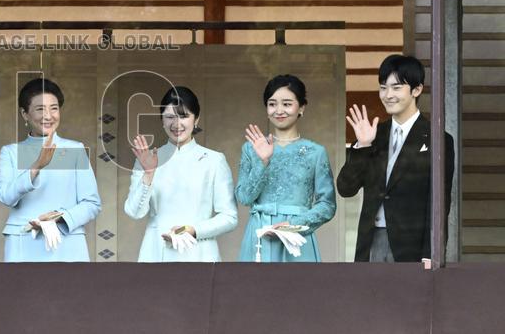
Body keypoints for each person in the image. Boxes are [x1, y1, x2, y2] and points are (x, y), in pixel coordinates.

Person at [337, 54, 455, 262]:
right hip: (371, 241)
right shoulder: (374, 135)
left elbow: (439, 203)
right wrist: (362, 146)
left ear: (416, 90)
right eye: (383, 87)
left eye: (396, 87)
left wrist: (431, 253)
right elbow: (346, 189)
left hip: (411, 246)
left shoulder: (437, 139)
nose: (388, 95)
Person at [124, 86, 237, 262]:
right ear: (162, 120)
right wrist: (148, 174)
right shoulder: (148, 159)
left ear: (196, 119)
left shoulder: (214, 160)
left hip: (199, 253)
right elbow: (134, 212)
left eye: (184, 116)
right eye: (170, 117)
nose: (176, 124)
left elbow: (229, 217)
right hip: (156, 252)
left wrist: (193, 230)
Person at [0, 78, 101, 262]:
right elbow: (5, 196)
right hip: (23, 242)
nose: (48, 116)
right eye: (40, 109)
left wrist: (59, 218)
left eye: (54, 108)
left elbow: (92, 204)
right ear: (25, 114)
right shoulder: (11, 152)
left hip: (67, 243)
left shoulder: (75, 149)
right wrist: (36, 166)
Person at [236, 75, 336, 262]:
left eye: (287, 104)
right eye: (272, 104)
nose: (279, 110)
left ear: (301, 108)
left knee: (298, 282)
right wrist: (263, 162)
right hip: (260, 236)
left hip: (297, 237)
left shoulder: (316, 152)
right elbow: (244, 197)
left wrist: (292, 225)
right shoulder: (251, 148)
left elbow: (327, 205)